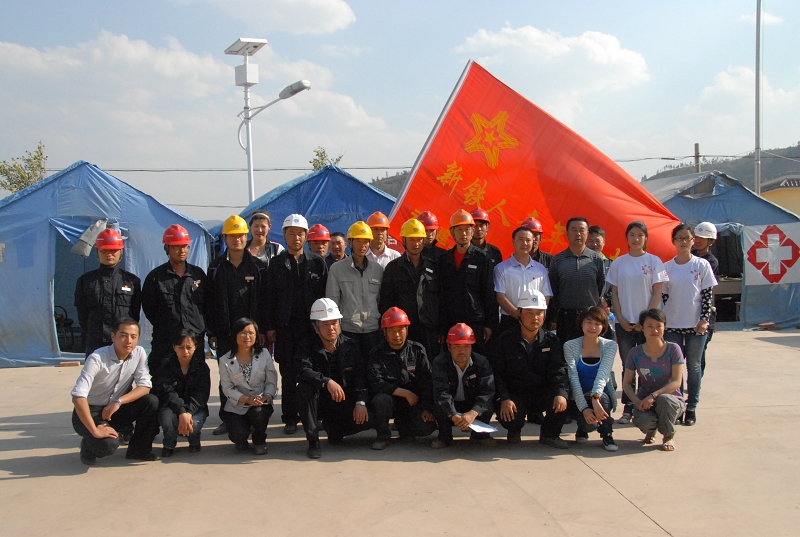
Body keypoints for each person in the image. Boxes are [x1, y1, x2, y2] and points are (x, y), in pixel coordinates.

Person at [204, 215, 269, 435]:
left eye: (240, 235)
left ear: (246, 237)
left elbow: (264, 301)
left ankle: (255, 415)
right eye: (232, 236)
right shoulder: (215, 267)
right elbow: (209, 302)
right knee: (228, 376)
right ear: (225, 238)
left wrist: (261, 330)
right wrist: (212, 332)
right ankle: (228, 418)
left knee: (254, 375)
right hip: (225, 333)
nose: (237, 239)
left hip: (252, 334)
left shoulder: (258, 267)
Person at [265, 214, 328, 434]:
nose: (296, 237)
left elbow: (325, 296)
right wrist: (270, 326)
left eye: (300, 233)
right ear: (284, 235)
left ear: (306, 236)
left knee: (315, 372)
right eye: (291, 233)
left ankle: (316, 416)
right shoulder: (276, 264)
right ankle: (290, 418)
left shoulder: (317, 263)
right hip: (286, 328)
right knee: (289, 374)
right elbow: (269, 298)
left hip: (312, 329)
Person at [70, 318, 159, 465]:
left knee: (151, 401)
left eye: (133, 336)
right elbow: (78, 397)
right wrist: (95, 431)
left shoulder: (139, 353)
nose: (128, 341)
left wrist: (119, 402)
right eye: (123, 335)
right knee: (108, 445)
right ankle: (88, 445)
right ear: (113, 336)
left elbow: (145, 386)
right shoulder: (97, 358)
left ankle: (138, 450)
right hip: (90, 411)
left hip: (113, 409)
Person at [605, 221, 668, 425]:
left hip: (648, 326)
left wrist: (646, 321)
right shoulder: (619, 263)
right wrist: (620, 318)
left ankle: (650, 406)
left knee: (649, 366)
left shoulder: (654, 261)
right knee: (628, 367)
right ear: (627, 237)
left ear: (645, 238)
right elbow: (614, 293)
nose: (636, 238)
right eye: (632, 234)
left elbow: (657, 291)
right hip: (625, 324)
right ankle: (628, 407)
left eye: (640, 235)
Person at [490, 291, 569, 448]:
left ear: (544, 315)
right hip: (516, 393)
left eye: (539, 313)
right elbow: (497, 374)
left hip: (542, 392)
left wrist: (561, 393)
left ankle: (549, 435)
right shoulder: (504, 341)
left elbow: (559, 370)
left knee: (563, 397)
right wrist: (504, 398)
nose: (535, 317)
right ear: (519, 313)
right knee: (509, 414)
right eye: (529, 312)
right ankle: (514, 431)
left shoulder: (552, 341)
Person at [296, 298, 373, 459]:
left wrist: (360, 402)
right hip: (321, 403)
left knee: (374, 416)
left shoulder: (351, 346)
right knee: (304, 389)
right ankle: (313, 442)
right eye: (325, 324)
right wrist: (326, 382)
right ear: (316, 328)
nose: (331, 328)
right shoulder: (306, 346)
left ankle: (335, 430)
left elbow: (360, 376)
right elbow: (303, 370)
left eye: (334, 323)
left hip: (344, 402)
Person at [661, 224, 717, 426]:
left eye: (687, 238)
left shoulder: (702, 265)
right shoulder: (667, 267)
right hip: (673, 325)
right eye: (679, 238)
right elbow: (664, 296)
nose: (683, 242)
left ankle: (691, 407)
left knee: (694, 366)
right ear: (673, 241)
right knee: (675, 368)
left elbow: (707, 295)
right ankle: (678, 405)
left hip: (696, 325)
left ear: (693, 240)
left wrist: (704, 320)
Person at [367, 307, 438, 450]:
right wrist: (405, 393)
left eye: (400, 330)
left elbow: (427, 381)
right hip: (390, 401)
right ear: (385, 332)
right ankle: (383, 436)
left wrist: (427, 408)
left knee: (427, 427)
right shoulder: (376, 353)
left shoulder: (417, 350)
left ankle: (404, 427)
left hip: (412, 403)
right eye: (392, 330)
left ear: (407, 330)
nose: (397, 335)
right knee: (381, 400)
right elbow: (376, 382)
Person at [141, 224, 206, 373]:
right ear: (167, 248)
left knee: (196, 377)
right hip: (166, 340)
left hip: (194, 339)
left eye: (185, 246)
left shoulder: (198, 275)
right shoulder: (156, 278)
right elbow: (149, 308)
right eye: (176, 247)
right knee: (163, 379)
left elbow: (208, 305)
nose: (181, 251)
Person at [623, 309, 686, 451]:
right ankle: (651, 431)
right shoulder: (635, 353)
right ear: (641, 327)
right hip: (645, 401)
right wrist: (636, 401)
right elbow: (627, 383)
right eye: (650, 326)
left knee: (664, 400)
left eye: (659, 326)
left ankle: (668, 436)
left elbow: (676, 382)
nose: (655, 330)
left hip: (671, 401)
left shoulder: (673, 349)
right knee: (643, 420)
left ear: (665, 327)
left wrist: (654, 395)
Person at [379, 218, 441, 360]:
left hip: (429, 329)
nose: (416, 243)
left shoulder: (433, 266)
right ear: (404, 240)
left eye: (419, 239)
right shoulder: (393, 268)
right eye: (412, 239)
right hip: (402, 329)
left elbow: (441, 299)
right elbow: (385, 301)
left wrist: (441, 328)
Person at [74, 228, 141, 356]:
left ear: (120, 252)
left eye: (113, 250)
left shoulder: (131, 281)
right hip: (95, 342)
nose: (109, 254)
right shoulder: (86, 281)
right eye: (104, 251)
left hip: (123, 342)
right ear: (97, 252)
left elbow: (135, 313)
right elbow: (82, 314)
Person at [439, 209, 498, 355]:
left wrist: (489, 325)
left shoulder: (482, 258)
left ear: (472, 231)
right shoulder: (444, 260)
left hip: (475, 322)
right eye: (459, 230)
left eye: (467, 229)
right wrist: (441, 328)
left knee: (477, 359)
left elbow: (489, 293)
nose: (463, 234)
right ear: (452, 232)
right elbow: (440, 295)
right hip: (450, 322)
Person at [431, 323, 496, 448]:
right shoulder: (440, 362)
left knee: (488, 406)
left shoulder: (481, 362)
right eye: (457, 346)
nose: (461, 351)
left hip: (470, 404)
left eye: (466, 346)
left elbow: (487, 391)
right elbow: (441, 392)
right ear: (449, 347)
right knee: (439, 405)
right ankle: (444, 437)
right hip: (452, 404)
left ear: (472, 347)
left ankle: (480, 436)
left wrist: (473, 413)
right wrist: (453, 415)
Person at [218, 318, 277, 455]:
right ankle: (243, 433)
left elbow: (271, 381)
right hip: (238, 404)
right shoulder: (225, 360)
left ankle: (259, 440)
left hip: (260, 402)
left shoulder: (264, 354)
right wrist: (247, 399)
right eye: (243, 333)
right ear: (235, 335)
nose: (247, 336)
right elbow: (227, 388)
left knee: (259, 413)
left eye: (251, 333)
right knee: (238, 437)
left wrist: (267, 396)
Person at [563, 307, 619, 451]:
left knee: (603, 399)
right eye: (589, 322)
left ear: (603, 327)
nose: (593, 327)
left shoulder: (610, 346)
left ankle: (607, 434)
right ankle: (582, 429)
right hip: (578, 396)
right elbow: (573, 378)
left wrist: (595, 398)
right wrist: (584, 408)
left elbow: (603, 375)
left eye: (597, 323)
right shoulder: (570, 346)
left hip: (600, 396)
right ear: (581, 323)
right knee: (589, 424)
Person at [326, 220, 383, 357]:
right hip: (348, 331)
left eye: (366, 241)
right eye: (358, 241)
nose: (362, 245)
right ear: (350, 242)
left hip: (373, 331)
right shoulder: (337, 269)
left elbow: (381, 300)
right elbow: (332, 302)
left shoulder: (378, 270)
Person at [151, 329, 210, 457]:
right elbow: (167, 392)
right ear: (174, 347)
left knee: (195, 423)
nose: (185, 351)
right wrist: (182, 412)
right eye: (181, 347)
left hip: (194, 408)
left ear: (195, 347)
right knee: (167, 418)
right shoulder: (165, 366)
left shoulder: (202, 368)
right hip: (170, 406)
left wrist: (189, 413)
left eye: (189, 347)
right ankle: (169, 443)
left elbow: (202, 394)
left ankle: (194, 440)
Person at [548, 217, 606, 344]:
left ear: (587, 233)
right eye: (574, 230)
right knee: (566, 351)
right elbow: (554, 289)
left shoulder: (596, 259)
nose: (578, 233)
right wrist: (555, 317)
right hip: (566, 317)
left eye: (582, 230)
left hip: (590, 317)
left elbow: (600, 286)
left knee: (589, 351)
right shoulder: (558, 260)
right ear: (567, 234)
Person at [494, 226, 552, 337]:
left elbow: (546, 296)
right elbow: (500, 297)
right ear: (513, 241)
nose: (524, 243)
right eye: (520, 239)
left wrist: (536, 315)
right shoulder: (501, 268)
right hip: (510, 320)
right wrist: (520, 315)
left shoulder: (541, 269)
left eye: (528, 240)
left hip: (535, 321)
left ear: (533, 242)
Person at [692, 222, 719, 376]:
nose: (698, 241)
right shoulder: (689, 255)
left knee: (699, 353)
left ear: (711, 241)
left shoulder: (711, 262)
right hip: (687, 310)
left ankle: (697, 382)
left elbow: (704, 287)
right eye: (696, 237)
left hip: (704, 310)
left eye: (702, 238)